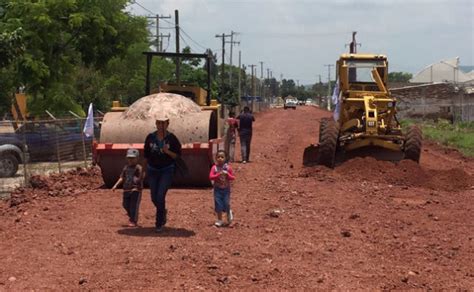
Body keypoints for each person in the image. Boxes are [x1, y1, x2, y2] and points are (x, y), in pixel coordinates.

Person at [144, 114, 182, 232]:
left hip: (167, 169)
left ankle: (159, 223)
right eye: (159, 123)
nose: (161, 125)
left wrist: (167, 151)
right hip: (152, 170)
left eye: (163, 123)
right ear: (156, 123)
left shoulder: (172, 139)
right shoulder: (150, 138)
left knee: (160, 196)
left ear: (167, 124)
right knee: (154, 197)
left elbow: (177, 156)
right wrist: (144, 170)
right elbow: (146, 155)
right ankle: (162, 211)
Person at [112, 148, 143, 227]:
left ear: (137, 158)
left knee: (134, 205)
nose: (131, 160)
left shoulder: (138, 168)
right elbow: (122, 177)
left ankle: (133, 220)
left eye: (133, 158)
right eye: (129, 158)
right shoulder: (126, 168)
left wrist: (138, 183)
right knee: (125, 204)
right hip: (126, 189)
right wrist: (115, 185)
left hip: (135, 189)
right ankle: (132, 216)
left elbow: (140, 177)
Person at [209, 150, 235, 227]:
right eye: (218, 157)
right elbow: (210, 177)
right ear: (216, 158)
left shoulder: (228, 168)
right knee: (218, 204)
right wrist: (217, 175)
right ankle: (219, 220)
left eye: (222, 157)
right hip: (217, 189)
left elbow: (233, 177)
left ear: (225, 158)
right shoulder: (214, 168)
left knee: (226, 203)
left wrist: (227, 174)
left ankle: (228, 212)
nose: (220, 158)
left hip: (226, 189)